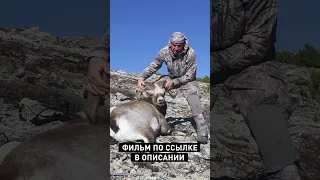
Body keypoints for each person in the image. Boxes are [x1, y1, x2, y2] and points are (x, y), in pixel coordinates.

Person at [211, 0, 301, 179]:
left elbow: (257, 43)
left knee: (267, 110)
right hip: (206, 64)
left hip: (250, 65)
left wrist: (214, 61)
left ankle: (283, 170)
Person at [136, 32, 209, 144]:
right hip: (170, 78)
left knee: (194, 100)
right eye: (174, 45)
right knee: (155, 87)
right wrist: (141, 78)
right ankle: (157, 119)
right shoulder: (164, 51)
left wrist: (173, 83)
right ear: (170, 43)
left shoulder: (191, 53)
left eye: (179, 45)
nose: (176, 48)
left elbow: (190, 75)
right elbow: (153, 66)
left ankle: (202, 132)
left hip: (187, 81)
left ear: (183, 44)